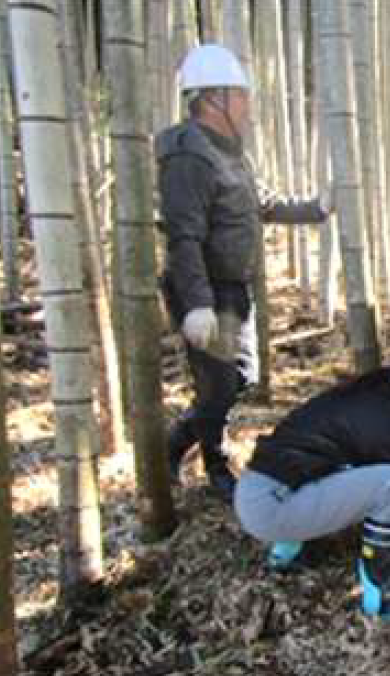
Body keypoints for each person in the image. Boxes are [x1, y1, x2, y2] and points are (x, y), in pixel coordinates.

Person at [156, 44, 330, 502]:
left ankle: (180, 440)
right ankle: (210, 461)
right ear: (212, 99)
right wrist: (196, 304)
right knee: (217, 385)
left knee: (241, 378)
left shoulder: (231, 153)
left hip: (234, 289)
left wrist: (317, 207)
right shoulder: (187, 156)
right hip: (206, 290)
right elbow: (184, 237)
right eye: (240, 96)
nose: (248, 106)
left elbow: (264, 204)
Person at [234, 348, 390, 622]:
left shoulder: (368, 394)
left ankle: (287, 554)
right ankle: (381, 597)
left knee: (339, 468)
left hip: (258, 491)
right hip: (275, 507)